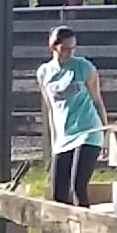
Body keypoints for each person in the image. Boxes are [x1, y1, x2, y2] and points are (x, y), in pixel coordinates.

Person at [36, 26, 107, 207]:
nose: (69, 53)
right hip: (64, 134)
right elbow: (51, 109)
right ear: (53, 47)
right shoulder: (44, 72)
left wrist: (105, 134)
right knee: (59, 191)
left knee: (77, 187)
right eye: (65, 48)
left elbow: (97, 101)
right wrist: (53, 141)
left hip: (87, 131)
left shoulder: (83, 67)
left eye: (72, 49)